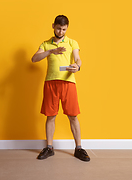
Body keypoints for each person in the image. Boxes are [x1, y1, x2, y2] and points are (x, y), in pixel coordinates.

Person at [31, 15, 90, 162]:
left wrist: (78, 65)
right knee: (50, 116)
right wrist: (50, 51)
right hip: (51, 83)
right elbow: (34, 58)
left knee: (73, 116)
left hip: (68, 82)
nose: (61, 32)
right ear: (53, 26)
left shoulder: (72, 42)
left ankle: (79, 148)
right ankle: (49, 147)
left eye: (64, 29)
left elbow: (77, 58)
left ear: (67, 28)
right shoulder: (45, 44)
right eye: (58, 28)